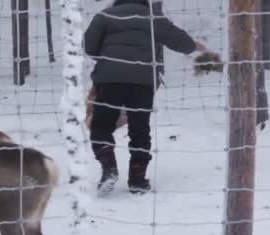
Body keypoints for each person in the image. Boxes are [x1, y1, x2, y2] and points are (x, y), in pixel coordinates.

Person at [83, 0, 207, 196]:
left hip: (110, 79)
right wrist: (195, 46)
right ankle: (138, 179)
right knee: (139, 130)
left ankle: (108, 168)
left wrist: (109, 56)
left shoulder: (104, 16)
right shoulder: (153, 18)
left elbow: (89, 47)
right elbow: (177, 40)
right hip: (142, 83)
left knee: (101, 125)